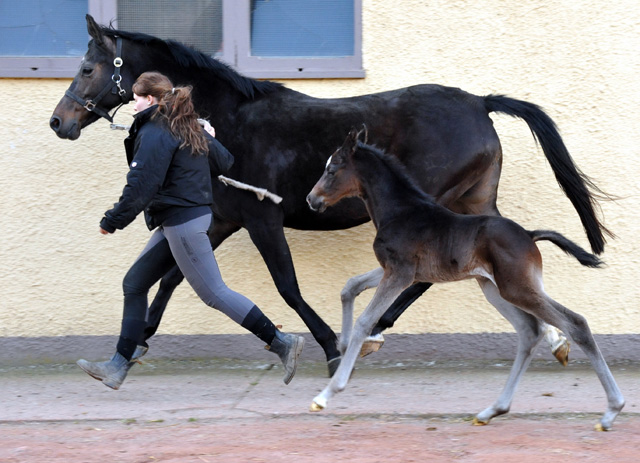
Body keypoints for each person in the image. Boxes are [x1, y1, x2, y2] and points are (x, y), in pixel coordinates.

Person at [77, 71, 304, 389]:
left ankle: (282, 342)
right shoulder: (184, 126)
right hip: (178, 220)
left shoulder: (157, 131)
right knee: (135, 283)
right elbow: (224, 162)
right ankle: (118, 365)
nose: (132, 104)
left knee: (214, 293)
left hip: (183, 223)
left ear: (151, 100)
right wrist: (208, 134)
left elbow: (142, 185)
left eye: (136, 98)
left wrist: (112, 221)